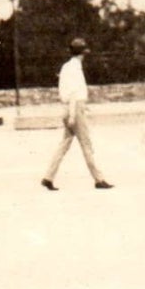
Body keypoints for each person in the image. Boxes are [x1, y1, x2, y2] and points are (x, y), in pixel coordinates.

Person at [40, 38, 112, 191]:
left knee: (64, 144)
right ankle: (99, 179)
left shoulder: (66, 67)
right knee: (86, 144)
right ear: (82, 53)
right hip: (74, 107)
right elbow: (74, 92)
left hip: (68, 107)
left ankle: (48, 176)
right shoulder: (75, 68)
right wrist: (74, 113)